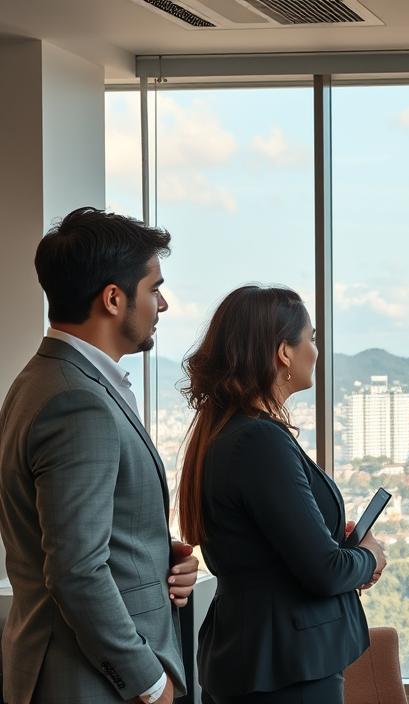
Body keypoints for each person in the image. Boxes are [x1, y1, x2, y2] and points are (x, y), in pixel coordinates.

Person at [0, 207, 198, 703]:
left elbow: (72, 537)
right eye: (154, 288)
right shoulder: (77, 401)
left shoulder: (40, 382)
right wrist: (148, 683)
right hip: (89, 681)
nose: (163, 303)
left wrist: (155, 555)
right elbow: (75, 569)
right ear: (113, 299)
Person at [177, 285, 386, 702]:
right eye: (310, 338)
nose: (315, 351)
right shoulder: (258, 440)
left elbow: (272, 552)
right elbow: (324, 571)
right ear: (283, 353)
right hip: (285, 665)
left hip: (257, 654)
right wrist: (369, 557)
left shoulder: (229, 431)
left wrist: (332, 543)